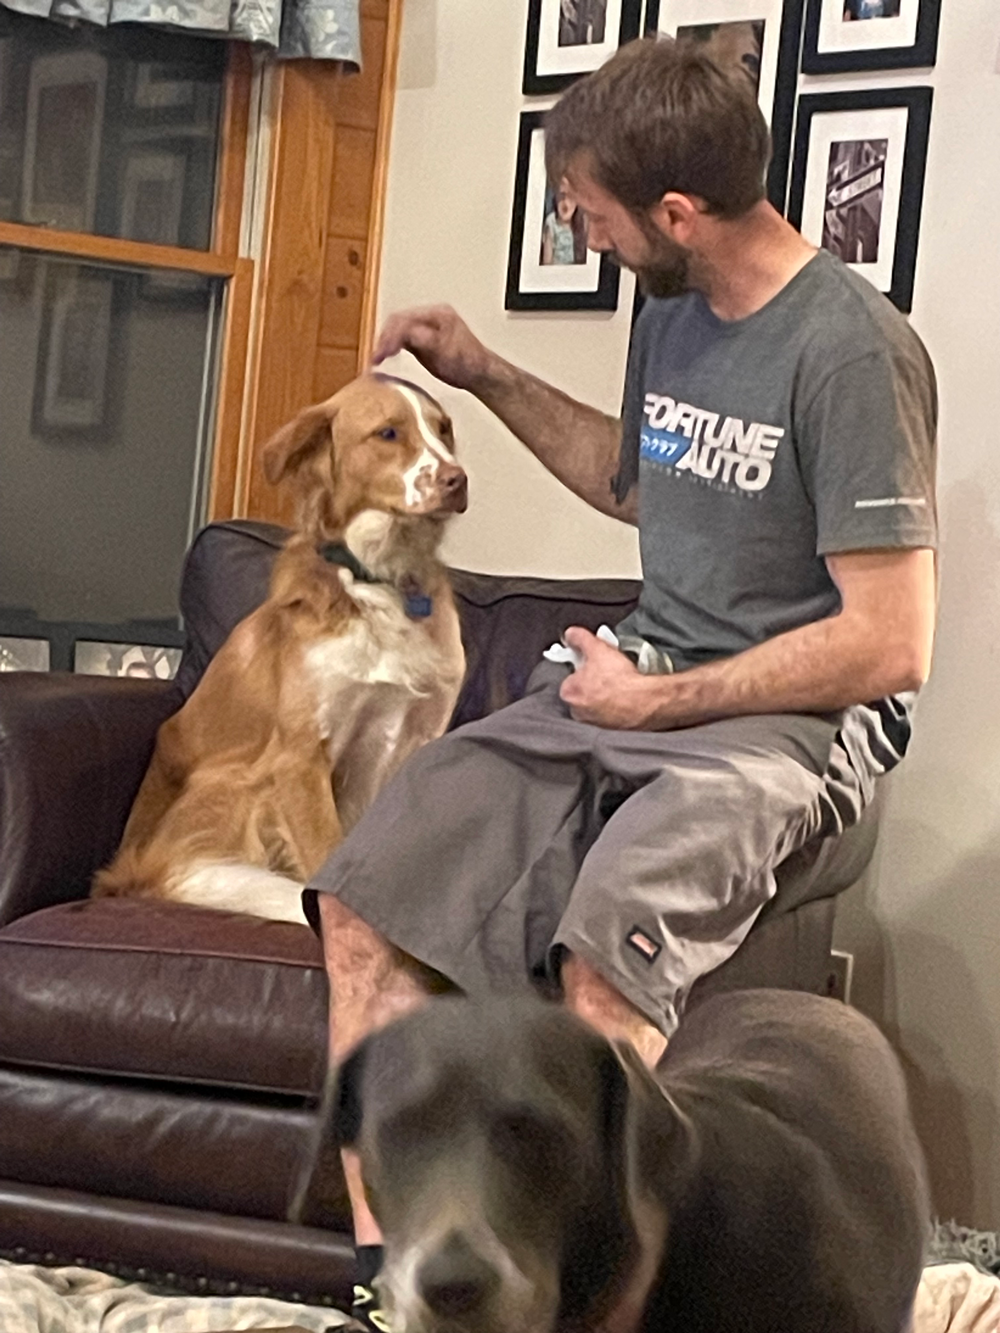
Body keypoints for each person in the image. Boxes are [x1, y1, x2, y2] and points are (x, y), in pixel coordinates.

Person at [305, 37, 938, 1329]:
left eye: (586, 207)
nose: (577, 228)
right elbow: (628, 480)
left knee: (609, 948)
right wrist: (481, 370)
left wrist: (658, 706)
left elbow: (889, 643)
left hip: (784, 728)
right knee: (366, 894)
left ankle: (597, 1299)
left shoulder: (853, 352)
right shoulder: (673, 312)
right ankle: (391, 1284)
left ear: (679, 213)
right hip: (629, 686)